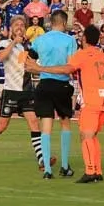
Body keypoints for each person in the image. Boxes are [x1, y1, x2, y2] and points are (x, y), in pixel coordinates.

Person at [27, 25, 104, 184]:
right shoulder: (102, 55)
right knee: (93, 136)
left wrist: (40, 68)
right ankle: (97, 170)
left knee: (86, 135)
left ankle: (90, 171)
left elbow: (66, 69)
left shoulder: (82, 55)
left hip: (92, 100)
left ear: (84, 38)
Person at [0, 15, 51, 170]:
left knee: (34, 122)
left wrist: (40, 67)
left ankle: (42, 160)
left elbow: (30, 66)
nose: (19, 27)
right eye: (16, 25)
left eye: (22, 25)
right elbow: (1, 57)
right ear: (11, 28)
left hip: (26, 91)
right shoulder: (5, 43)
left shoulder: (27, 47)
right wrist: (14, 42)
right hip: (11, 91)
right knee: (1, 126)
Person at [31, 9, 77, 179]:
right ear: (64, 23)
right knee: (65, 123)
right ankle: (64, 166)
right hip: (61, 84)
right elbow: (71, 66)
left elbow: (27, 59)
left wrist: (36, 68)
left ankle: (47, 170)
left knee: (46, 126)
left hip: (44, 84)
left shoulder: (40, 39)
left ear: (51, 22)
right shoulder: (70, 40)